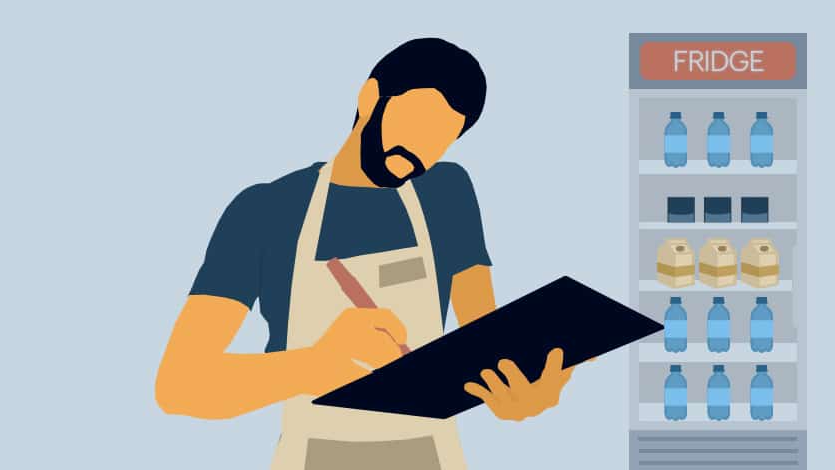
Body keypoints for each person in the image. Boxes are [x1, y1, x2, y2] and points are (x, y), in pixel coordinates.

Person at [155, 38, 575, 470]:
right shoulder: (266, 210)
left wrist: (515, 393)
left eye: (442, 139)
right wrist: (316, 365)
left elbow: (483, 345)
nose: (422, 153)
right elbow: (181, 385)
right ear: (370, 97)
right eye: (418, 123)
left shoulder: (447, 194)